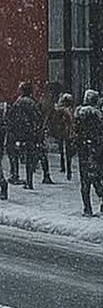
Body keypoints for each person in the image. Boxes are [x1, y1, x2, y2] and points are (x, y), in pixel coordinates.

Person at [6, 81, 43, 190]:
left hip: (19, 134)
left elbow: (13, 118)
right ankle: (29, 180)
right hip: (30, 134)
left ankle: (15, 174)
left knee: (13, 154)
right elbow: (38, 118)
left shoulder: (19, 102)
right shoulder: (33, 103)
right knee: (29, 158)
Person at [74, 89, 103, 217]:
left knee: (85, 181)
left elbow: (76, 133)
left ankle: (87, 208)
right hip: (96, 151)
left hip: (83, 151)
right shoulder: (97, 116)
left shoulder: (78, 115)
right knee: (97, 177)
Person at [53, 92, 75, 181]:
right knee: (67, 152)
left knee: (63, 151)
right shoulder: (71, 110)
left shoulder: (61, 110)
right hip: (68, 133)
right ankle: (68, 169)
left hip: (62, 132)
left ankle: (64, 167)